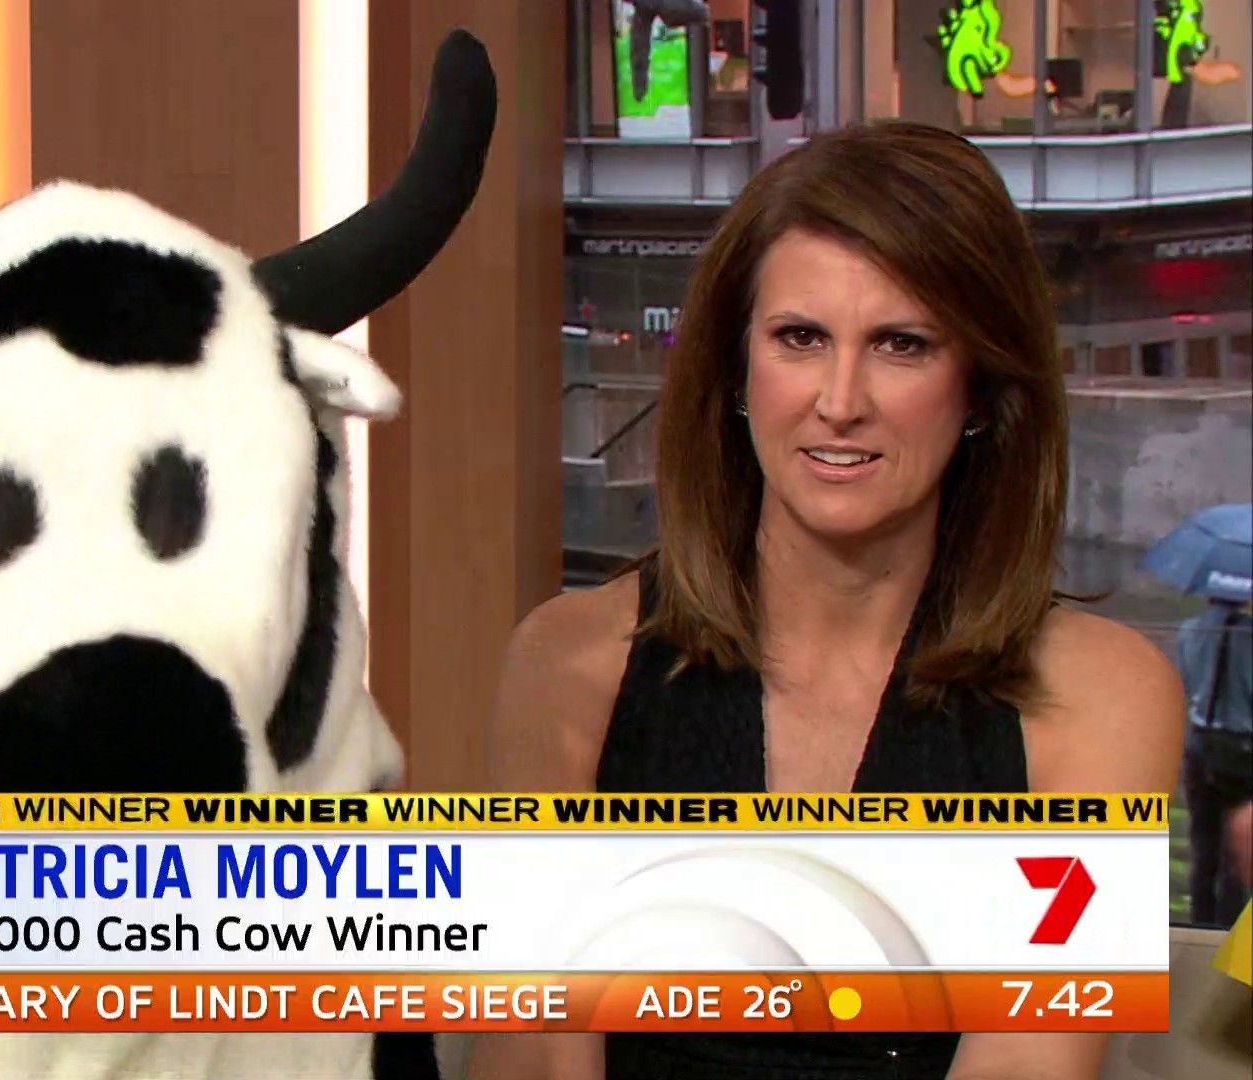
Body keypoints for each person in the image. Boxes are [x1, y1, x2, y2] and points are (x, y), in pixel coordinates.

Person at [471, 122, 1183, 1080]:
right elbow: (534, 1059)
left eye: (902, 344)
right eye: (800, 339)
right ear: (737, 369)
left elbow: (1028, 1065)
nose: (841, 401)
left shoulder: (1102, 699)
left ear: (980, 388)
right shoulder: (571, 668)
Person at [1176, 598, 1253, 927]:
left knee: (1203, 847)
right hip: (1243, 752)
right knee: (1238, 852)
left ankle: (1200, 924)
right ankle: (1227, 928)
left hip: (1200, 747)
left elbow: (1186, 685)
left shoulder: (1190, 631)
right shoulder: (1248, 637)